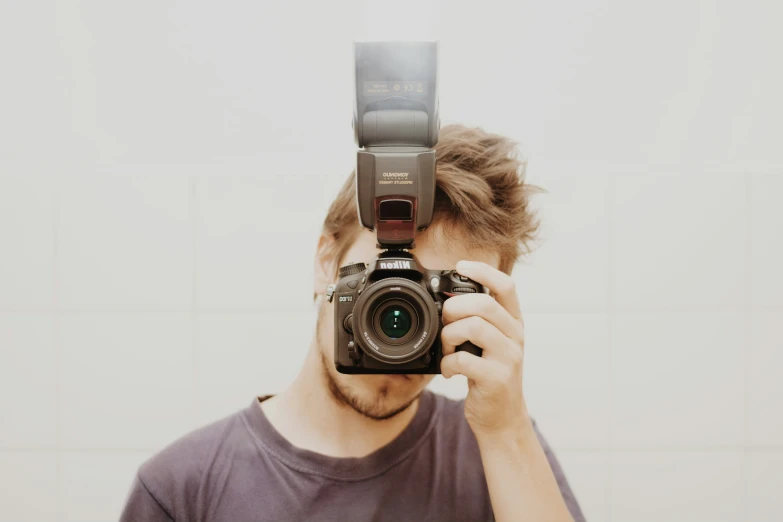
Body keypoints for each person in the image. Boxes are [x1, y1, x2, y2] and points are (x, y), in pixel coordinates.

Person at [119, 124, 586, 522]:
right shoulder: (182, 490)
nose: (404, 321)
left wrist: (507, 429)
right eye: (387, 282)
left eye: (436, 295)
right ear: (327, 261)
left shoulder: (500, 456)